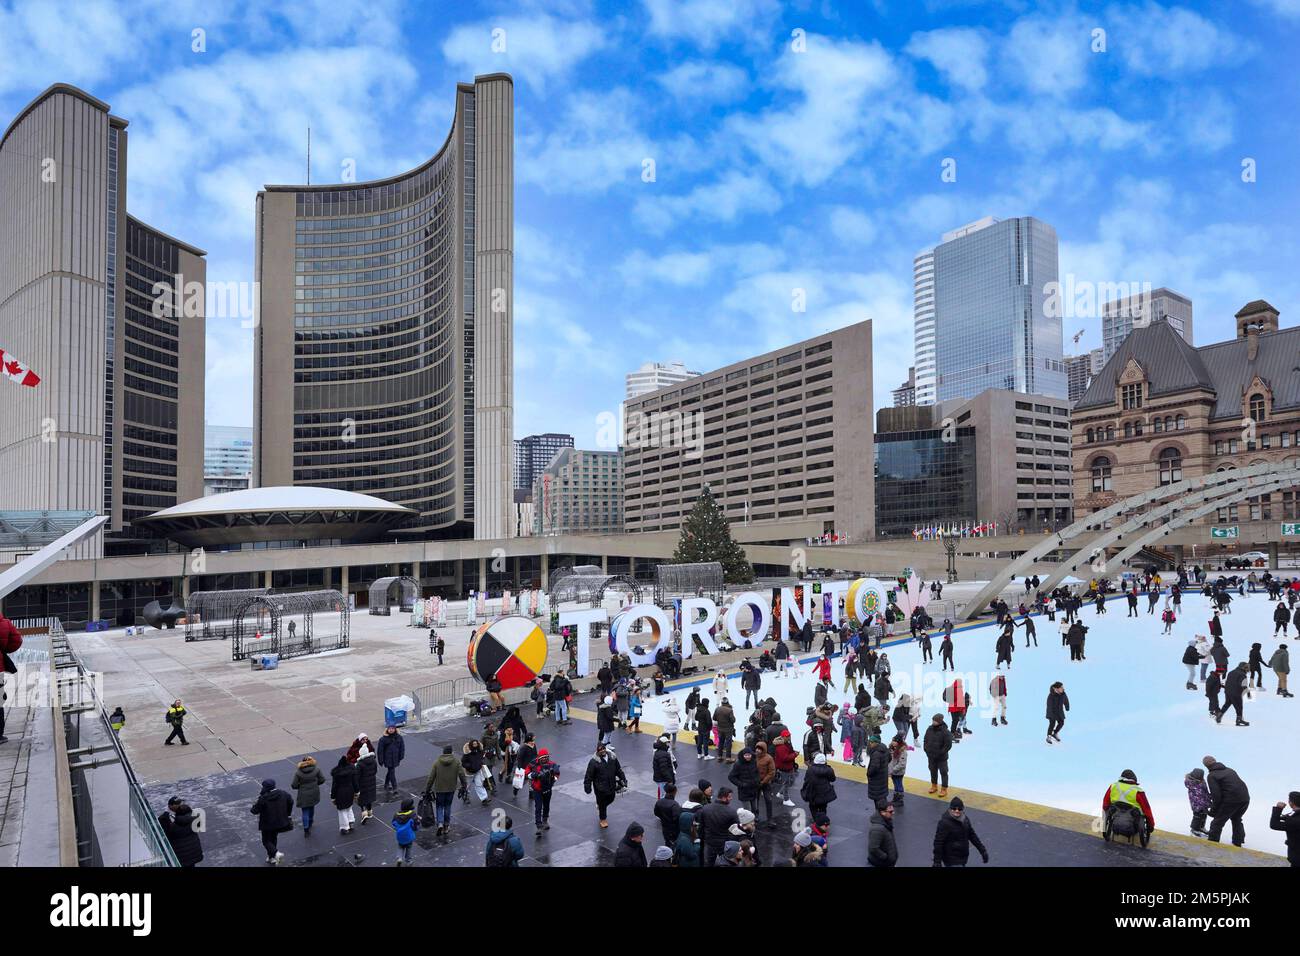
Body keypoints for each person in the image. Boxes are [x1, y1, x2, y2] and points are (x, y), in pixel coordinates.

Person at [1203, 755, 1250, 847]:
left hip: (1232, 800)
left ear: (1206, 766)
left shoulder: (1211, 776)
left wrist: (1213, 811)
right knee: (1236, 819)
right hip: (1245, 798)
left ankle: (1212, 845)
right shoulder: (1230, 770)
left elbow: (1216, 796)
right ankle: (1238, 842)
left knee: (1217, 822)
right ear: (1215, 761)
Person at [424, 745, 467, 843]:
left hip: (439, 788)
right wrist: (464, 785)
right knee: (448, 806)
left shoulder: (437, 763)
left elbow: (431, 778)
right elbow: (461, 774)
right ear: (451, 752)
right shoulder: (456, 762)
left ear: (443, 752)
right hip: (451, 788)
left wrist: (427, 789)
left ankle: (439, 823)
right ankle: (446, 826)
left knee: (439, 806)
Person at [932, 797, 988, 867]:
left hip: (963, 857)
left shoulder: (965, 819)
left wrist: (982, 850)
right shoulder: (944, 823)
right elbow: (938, 842)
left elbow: (972, 835)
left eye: (959, 809)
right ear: (950, 808)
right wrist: (937, 861)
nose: (957, 811)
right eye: (954, 808)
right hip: (951, 859)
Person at [250, 778, 294, 865]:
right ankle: (272, 858)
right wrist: (288, 814)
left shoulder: (263, 798)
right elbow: (291, 801)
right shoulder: (283, 793)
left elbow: (254, 811)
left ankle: (276, 853)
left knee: (266, 840)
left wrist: (255, 804)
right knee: (273, 838)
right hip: (280, 822)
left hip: (267, 824)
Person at [583, 741, 627, 829]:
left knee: (611, 798)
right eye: (600, 750)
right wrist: (587, 787)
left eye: (603, 749)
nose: (602, 751)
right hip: (600, 787)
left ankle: (600, 806)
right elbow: (589, 775)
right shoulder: (593, 762)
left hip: (611, 784)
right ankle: (603, 819)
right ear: (597, 751)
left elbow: (618, 769)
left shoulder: (612, 758)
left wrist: (623, 779)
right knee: (602, 804)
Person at [1102, 769, 1156, 837]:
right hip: (1132, 821)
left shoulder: (1113, 786)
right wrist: (1151, 825)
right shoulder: (1138, 791)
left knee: (1108, 808)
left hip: (1115, 816)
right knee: (1141, 813)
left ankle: (1107, 829)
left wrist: (1107, 809)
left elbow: (1105, 803)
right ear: (1134, 780)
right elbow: (1147, 810)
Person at [697, 786, 740, 865]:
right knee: (725, 862)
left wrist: (702, 839)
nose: (731, 799)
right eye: (729, 797)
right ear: (723, 798)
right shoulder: (731, 812)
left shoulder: (705, 808)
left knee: (708, 863)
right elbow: (735, 830)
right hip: (724, 844)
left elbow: (701, 827)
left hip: (709, 842)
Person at [160, 801, 203, 867]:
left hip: (182, 858)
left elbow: (162, 822)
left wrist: (166, 814)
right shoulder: (194, 821)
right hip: (194, 854)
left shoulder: (174, 828)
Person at [290, 754, 325, 835]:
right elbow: (322, 779)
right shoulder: (317, 769)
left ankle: (306, 829)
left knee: (305, 810)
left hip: (303, 793)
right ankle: (310, 821)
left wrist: (300, 786)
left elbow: (294, 785)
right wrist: (316, 784)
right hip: (314, 792)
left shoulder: (298, 773)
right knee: (312, 806)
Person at [526, 747, 559, 830]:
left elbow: (557, 772)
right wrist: (532, 775)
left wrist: (553, 779)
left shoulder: (552, 764)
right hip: (537, 790)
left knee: (546, 806)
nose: (544, 759)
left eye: (546, 757)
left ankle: (545, 820)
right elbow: (527, 770)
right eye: (542, 757)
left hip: (548, 789)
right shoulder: (533, 763)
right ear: (539, 758)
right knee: (538, 807)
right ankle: (538, 824)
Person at [800, 752, 837, 820]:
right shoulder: (829, 770)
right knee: (823, 808)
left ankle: (816, 820)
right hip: (825, 793)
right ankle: (822, 821)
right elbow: (833, 779)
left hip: (813, 793)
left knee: (813, 807)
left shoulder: (810, 770)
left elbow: (806, 779)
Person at [330, 754, 359, 835]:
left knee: (342, 810)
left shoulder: (336, 773)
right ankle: (351, 822)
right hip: (350, 790)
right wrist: (357, 791)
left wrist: (333, 797)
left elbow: (334, 786)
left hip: (340, 793)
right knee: (349, 806)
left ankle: (344, 827)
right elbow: (355, 782)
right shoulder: (352, 771)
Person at [923, 714, 952, 796]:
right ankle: (934, 786)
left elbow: (948, 745)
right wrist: (926, 749)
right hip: (931, 756)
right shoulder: (929, 729)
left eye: (935, 721)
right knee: (932, 771)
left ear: (939, 721)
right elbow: (925, 739)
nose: (933, 722)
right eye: (933, 720)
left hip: (941, 757)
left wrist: (940, 753)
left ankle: (944, 789)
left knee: (943, 772)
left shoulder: (945, 732)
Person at [728, 746, 760, 817]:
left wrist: (757, 780)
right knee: (747, 810)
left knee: (754, 808)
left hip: (753, 789)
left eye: (749, 755)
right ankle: (748, 823)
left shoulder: (754, 761)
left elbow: (757, 772)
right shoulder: (738, 764)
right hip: (744, 791)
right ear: (743, 755)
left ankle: (755, 819)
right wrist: (741, 784)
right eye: (746, 755)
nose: (748, 757)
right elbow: (731, 777)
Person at [1215, 661, 1250, 726]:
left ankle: (1219, 715)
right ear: (1243, 667)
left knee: (1227, 703)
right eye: (1247, 667)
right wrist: (1248, 692)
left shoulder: (1231, 672)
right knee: (1239, 706)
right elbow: (1243, 684)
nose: (1248, 669)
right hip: (1236, 693)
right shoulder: (1242, 674)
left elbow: (1228, 681)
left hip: (1228, 691)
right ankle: (1239, 720)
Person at [1270, 792, 1300, 867]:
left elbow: (1274, 825)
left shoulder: (1294, 820)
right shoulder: (1294, 816)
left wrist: (1278, 808)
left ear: (1291, 803)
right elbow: (1288, 817)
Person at [867, 799, 898, 867]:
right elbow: (873, 848)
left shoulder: (886, 822)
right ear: (882, 812)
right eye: (890, 811)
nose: (893, 813)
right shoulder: (877, 829)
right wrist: (886, 858)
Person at [391, 797, 420, 866]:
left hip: (400, 835)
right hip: (409, 835)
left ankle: (399, 858)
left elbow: (393, 823)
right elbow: (416, 823)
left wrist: (397, 828)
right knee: (409, 847)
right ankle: (408, 861)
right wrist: (416, 828)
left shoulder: (396, 815)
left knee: (400, 846)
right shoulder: (412, 814)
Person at [1185, 767, 1211, 838]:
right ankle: (1194, 830)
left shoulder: (1202, 781)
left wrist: (1209, 798)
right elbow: (1198, 795)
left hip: (1204, 802)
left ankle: (1201, 827)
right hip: (1197, 803)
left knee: (1204, 815)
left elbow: (1205, 791)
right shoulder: (1191, 783)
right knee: (1197, 816)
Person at [887, 733, 912, 806]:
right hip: (892, 771)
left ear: (898, 742)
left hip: (898, 772)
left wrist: (892, 770)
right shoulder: (891, 749)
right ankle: (896, 798)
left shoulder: (902, 751)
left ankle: (900, 800)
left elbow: (902, 764)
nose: (893, 742)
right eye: (893, 741)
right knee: (895, 785)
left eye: (895, 741)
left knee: (898, 785)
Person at [713, 696, 736, 762]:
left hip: (720, 728)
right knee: (728, 743)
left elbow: (714, 718)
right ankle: (728, 758)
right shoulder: (730, 710)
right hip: (728, 729)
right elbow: (733, 720)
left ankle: (719, 756)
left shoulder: (717, 709)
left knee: (721, 742)